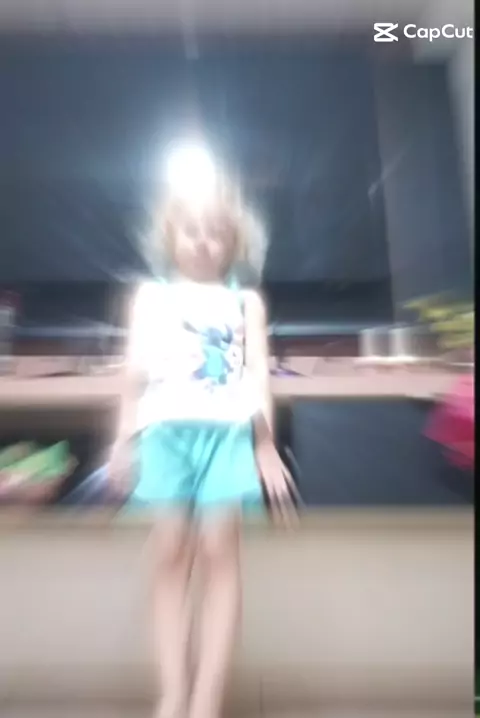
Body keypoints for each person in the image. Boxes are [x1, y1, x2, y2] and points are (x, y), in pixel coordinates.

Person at [107, 173, 296, 718]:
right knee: (169, 553)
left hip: (228, 436)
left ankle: (207, 700)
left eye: (215, 229)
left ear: (233, 238)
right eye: (191, 228)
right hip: (165, 435)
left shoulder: (246, 302)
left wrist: (265, 444)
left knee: (220, 554)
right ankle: (172, 693)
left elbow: (258, 374)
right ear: (170, 233)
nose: (203, 240)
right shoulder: (149, 297)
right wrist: (123, 438)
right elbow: (134, 372)